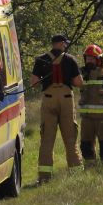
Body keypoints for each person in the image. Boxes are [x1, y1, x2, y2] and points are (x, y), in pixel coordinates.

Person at [31, 33, 84, 183]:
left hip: (48, 99)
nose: (65, 46)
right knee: (70, 137)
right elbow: (78, 82)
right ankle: (76, 174)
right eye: (65, 44)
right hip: (66, 99)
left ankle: (44, 177)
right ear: (61, 44)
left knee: (47, 139)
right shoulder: (70, 59)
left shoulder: (41, 59)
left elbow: (34, 82)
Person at [77, 43, 103, 167]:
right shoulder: (81, 73)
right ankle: (90, 168)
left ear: (99, 59)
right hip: (87, 118)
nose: (89, 61)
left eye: (92, 58)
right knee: (86, 144)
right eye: (87, 58)